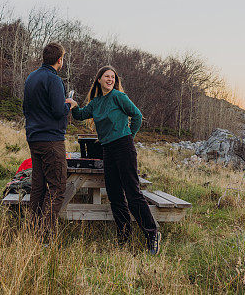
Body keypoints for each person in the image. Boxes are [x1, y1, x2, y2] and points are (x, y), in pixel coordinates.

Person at [71, 65, 161, 254]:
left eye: (113, 77)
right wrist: (72, 104)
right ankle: (124, 237)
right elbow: (80, 115)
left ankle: (152, 234)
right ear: (99, 79)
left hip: (124, 147)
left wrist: (129, 136)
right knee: (114, 195)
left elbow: (137, 115)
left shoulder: (119, 97)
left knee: (133, 194)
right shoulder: (96, 103)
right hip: (107, 150)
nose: (110, 79)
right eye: (106, 76)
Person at [22, 42, 77, 234]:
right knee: (57, 186)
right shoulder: (54, 80)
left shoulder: (31, 77)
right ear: (60, 59)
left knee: (38, 186)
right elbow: (57, 111)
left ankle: (32, 228)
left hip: (34, 137)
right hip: (51, 140)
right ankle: (46, 233)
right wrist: (68, 104)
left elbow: (26, 108)